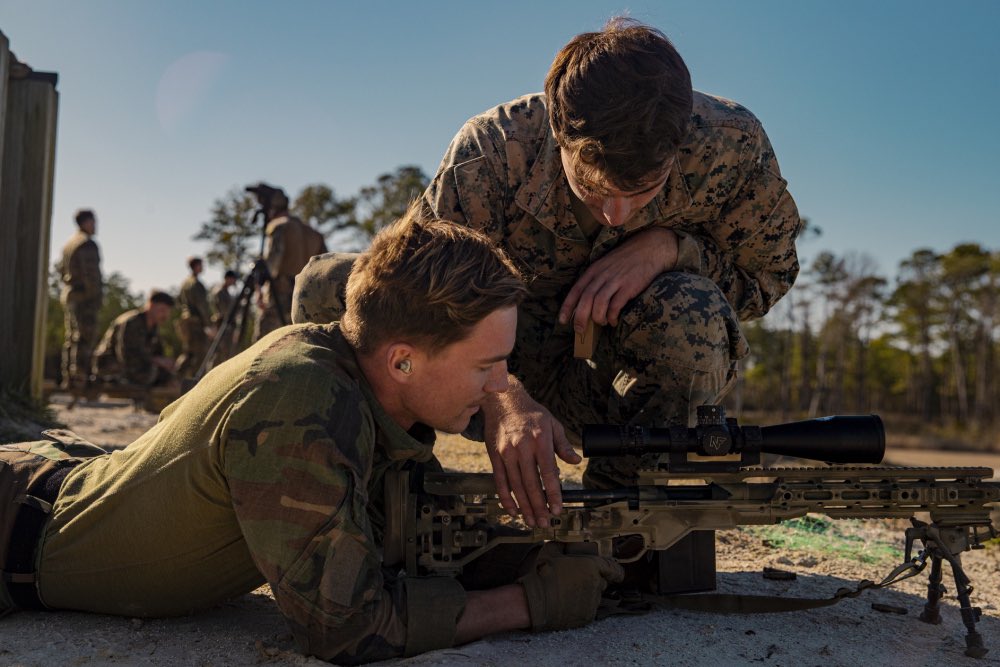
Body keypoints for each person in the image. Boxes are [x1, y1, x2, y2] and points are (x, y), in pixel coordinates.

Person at [0, 207, 623, 664]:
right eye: (486, 366)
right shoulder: (301, 402)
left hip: (56, 482)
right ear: (402, 361)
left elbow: (400, 523)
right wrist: (529, 603)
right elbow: (346, 628)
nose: (501, 388)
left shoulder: (359, 378)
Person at [293, 17, 802, 530]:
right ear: (558, 135)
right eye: (595, 190)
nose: (617, 217)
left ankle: (623, 521)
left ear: (680, 142)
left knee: (694, 314)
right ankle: (383, 487)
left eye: (644, 191)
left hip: (616, 397)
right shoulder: (493, 149)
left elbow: (767, 275)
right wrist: (502, 394)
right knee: (327, 289)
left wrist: (672, 248)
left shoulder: (730, 147)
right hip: (480, 379)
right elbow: (417, 295)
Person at [255, 186, 327, 340]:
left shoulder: (279, 226)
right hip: (307, 300)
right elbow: (325, 268)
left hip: (279, 296)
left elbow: (271, 266)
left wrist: (259, 288)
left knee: (264, 344)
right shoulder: (313, 233)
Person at [56, 209, 103, 390]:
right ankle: (79, 379)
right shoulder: (87, 244)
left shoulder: (69, 244)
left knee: (72, 338)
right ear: (85, 222)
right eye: (93, 221)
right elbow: (92, 275)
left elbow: (61, 270)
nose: (95, 225)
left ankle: (69, 377)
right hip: (85, 298)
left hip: (71, 294)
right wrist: (95, 297)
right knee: (84, 338)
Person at [91, 290, 176, 387]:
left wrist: (166, 363)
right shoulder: (132, 322)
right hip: (109, 365)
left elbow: (158, 353)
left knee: (167, 375)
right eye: (162, 310)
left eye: (167, 312)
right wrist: (156, 361)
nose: (165, 315)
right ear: (151, 305)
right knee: (149, 373)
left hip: (132, 366)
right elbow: (127, 354)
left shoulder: (153, 327)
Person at [175, 256, 213, 379]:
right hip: (196, 324)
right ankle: (195, 382)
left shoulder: (184, 283)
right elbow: (202, 307)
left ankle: (177, 376)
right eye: (201, 265)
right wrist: (208, 325)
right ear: (196, 266)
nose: (203, 267)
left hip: (186, 322)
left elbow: (179, 301)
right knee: (200, 355)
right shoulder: (196, 284)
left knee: (188, 352)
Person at [210, 269, 239, 362]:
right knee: (220, 353)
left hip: (225, 324)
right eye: (233, 279)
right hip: (222, 324)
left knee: (226, 353)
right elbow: (225, 310)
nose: (234, 281)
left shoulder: (225, 291)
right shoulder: (220, 291)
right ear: (228, 278)